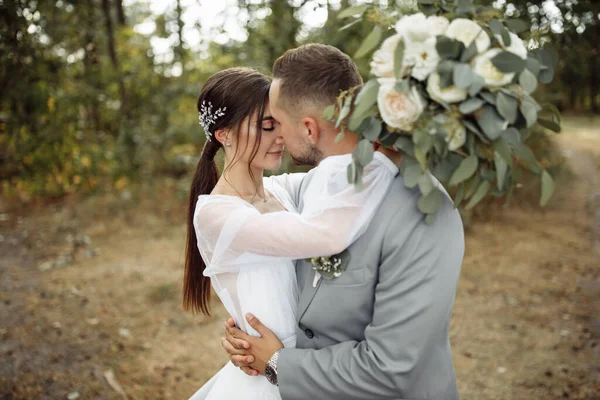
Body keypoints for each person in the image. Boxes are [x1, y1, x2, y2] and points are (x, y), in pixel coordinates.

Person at [221, 44, 465, 400]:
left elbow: (391, 367)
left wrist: (276, 362)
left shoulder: (424, 212)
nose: (278, 138)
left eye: (278, 124)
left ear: (308, 128)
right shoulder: (311, 186)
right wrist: (249, 337)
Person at [184, 67, 402, 400]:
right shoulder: (218, 215)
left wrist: (384, 133)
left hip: (310, 367)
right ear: (224, 134)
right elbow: (327, 236)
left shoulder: (282, 190)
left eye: (280, 124)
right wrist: (385, 162)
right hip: (270, 380)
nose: (280, 137)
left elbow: (341, 174)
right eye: (266, 126)